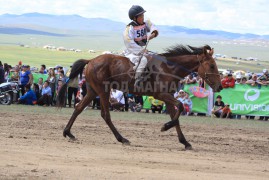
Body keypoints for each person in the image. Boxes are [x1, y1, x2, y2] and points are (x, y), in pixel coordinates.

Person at [123, 5, 158, 87]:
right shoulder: (129, 28)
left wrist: (153, 33)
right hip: (132, 51)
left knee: (155, 58)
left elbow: (152, 26)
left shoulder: (145, 22)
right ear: (135, 18)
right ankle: (137, 80)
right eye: (141, 16)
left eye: (143, 15)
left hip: (142, 49)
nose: (143, 17)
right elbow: (129, 43)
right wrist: (141, 50)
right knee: (143, 61)